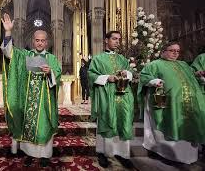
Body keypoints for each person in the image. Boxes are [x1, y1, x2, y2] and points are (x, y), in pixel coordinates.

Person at [0, 13, 61, 168]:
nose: (40, 43)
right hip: (28, 100)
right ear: (33, 41)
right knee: (28, 125)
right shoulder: (25, 56)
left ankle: (45, 155)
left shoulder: (52, 58)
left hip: (45, 102)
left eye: (43, 40)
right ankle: (29, 154)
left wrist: (50, 73)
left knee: (44, 126)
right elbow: (9, 54)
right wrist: (8, 32)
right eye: (37, 40)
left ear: (47, 42)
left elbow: (57, 75)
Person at [138, 42, 205, 164]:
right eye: (172, 50)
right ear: (163, 51)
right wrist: (154, 81)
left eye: (178, 51)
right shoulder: (155, 64)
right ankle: (168, 153)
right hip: (168, 102)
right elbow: (144, 77)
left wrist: (197, 75)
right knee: (170, 124)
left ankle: (189, 155)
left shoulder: (184, 64)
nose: (175, 53)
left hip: (187, 102)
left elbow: (192, 78)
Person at [88, 31, 134, 168]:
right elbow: (90, 75)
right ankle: (102, 152)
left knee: (124, 121)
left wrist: (128, 73)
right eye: (114, 39)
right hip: (106, 96)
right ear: (106, 40)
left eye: (119, 39)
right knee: (106, 120)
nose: (117, 42)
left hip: (124, 95)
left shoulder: (123, 59)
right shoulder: (98, 59)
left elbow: (132, 74)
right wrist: (107, 78)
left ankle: (123, 154)